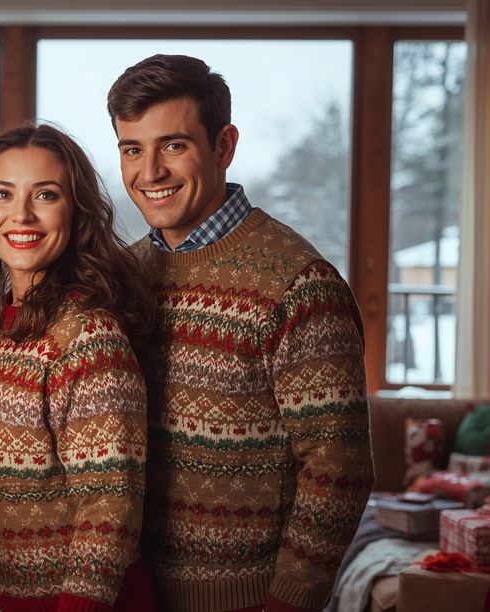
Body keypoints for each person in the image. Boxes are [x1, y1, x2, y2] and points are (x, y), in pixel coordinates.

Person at [106, 54, 374, 612]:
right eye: (133, 149)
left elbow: (338, 468)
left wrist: (288, 602)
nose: (149, 172)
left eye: (173, 146)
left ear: (223, 146)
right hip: (127, 594)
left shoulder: (300, 285)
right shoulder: (120, 279)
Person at [0, 124, 157, 612]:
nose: (21, 214)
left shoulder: (86, 337)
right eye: (3, 194)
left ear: (74, 211)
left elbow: (110, 507)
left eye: (45, 194)